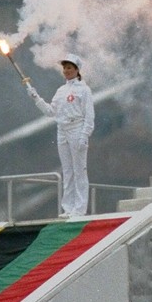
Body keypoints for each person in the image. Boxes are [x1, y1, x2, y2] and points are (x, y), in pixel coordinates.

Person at [24, 53, 95, 217]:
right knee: (67, 170)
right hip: (62, 130)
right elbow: (51, 112)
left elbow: (89, 116)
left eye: (69, 68)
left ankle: (80, 209)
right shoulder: (61, 91)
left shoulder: (84, 90)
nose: (66, 71)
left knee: (79, 170)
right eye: (64, 68)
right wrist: (36, 97)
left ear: (77, 70)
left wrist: (85, 135)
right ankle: (68, 208)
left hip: (77, 128)